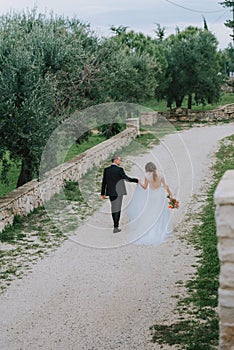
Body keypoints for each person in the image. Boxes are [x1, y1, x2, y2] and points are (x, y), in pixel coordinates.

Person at [126, 161, 173, 245]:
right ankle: (162, 228)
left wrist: (139, 182)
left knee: (151, 212)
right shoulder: (161, 174)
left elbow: (144, 187)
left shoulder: (147, 176)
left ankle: (151, 228)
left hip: (152, 196)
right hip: (160, 195)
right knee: (161, 212)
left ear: (147, 169)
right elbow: (166, 185)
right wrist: (170, 194)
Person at [101, 155, 139, 233]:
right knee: (118, 208)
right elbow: (126, 178)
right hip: (119, 192)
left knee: (113, 208)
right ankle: (116, 226)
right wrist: (136, 180)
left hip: (111, 192)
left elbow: (104, 182)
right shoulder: (119, 170)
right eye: (119, 160)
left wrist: (102, 193)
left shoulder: (106, 170)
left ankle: (115, 224)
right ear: (115, 160)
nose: (120, 162)